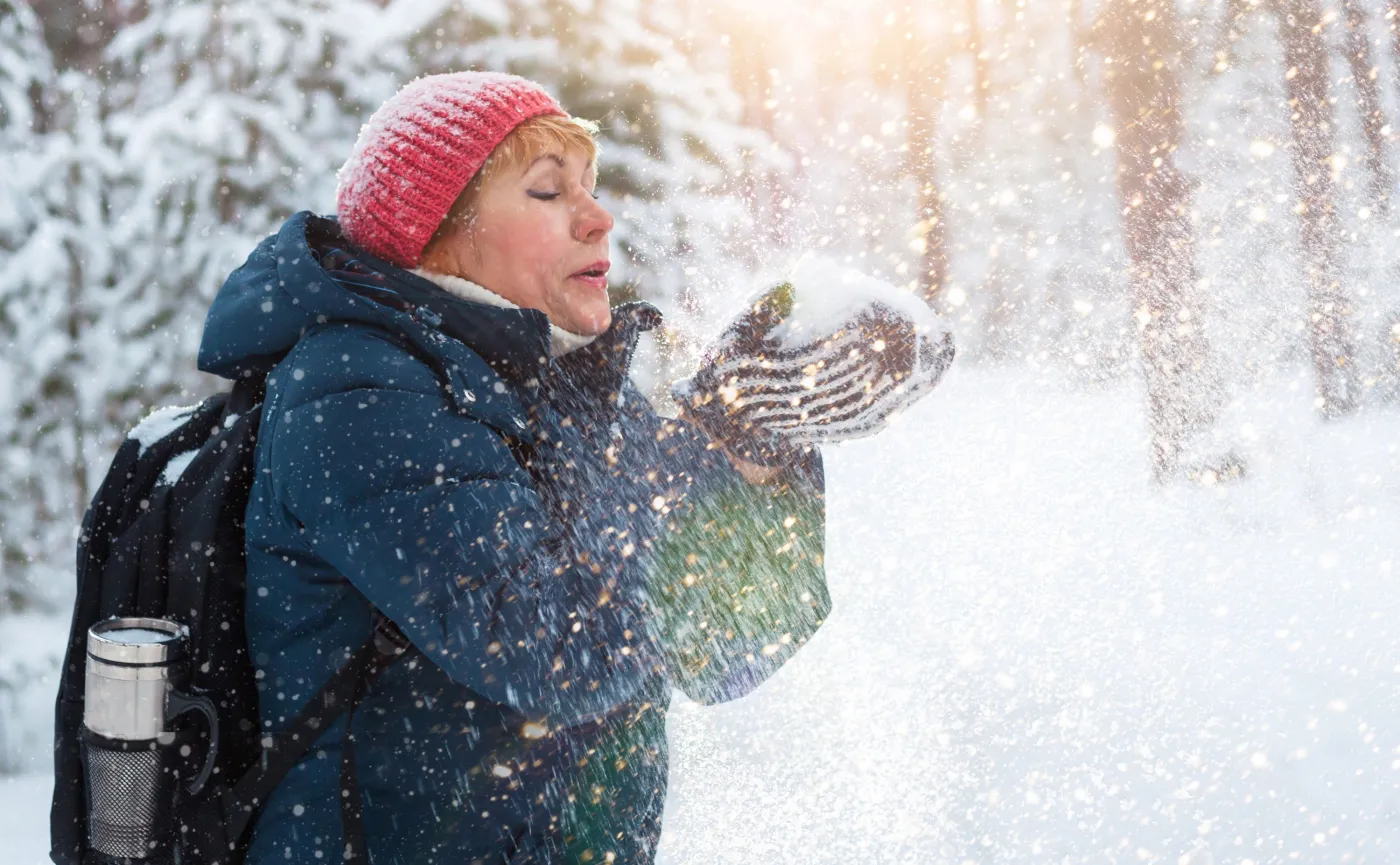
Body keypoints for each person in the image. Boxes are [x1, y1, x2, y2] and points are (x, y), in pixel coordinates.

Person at [196, 71, 952, 864]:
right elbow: (555, 647)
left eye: (590, 185)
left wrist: (757, 445)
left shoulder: (562, 387)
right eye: (548, 191)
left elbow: (726, 650)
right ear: (436, 235)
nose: (598, 217)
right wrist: (716, 440)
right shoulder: (356, 392)